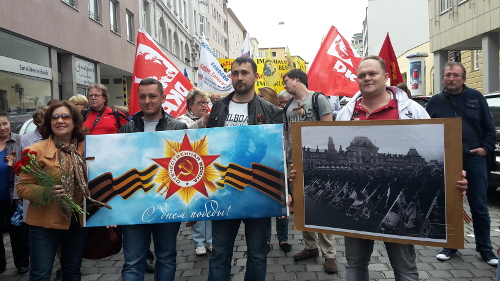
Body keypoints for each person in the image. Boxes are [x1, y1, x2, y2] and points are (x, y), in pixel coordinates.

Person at [335, 56, 467, 280]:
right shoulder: (346, 113)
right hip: (362, 196)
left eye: (373, 73)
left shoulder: (412, 109)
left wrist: (454, 174)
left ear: (386, 77)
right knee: (354, 265)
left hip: (398, 199)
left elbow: (435, 145)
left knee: (404, 268)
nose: (367, 78)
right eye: (362, 75)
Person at [206, 56, 282, 281]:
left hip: (257, 191)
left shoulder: (270, 111)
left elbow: (276, 152)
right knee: (219, 253)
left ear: (256, 76)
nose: (239, 77)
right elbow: (210, 145)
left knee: (258, 254)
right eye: (235, 73)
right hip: (223, 188)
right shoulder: (219, 107)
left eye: (244, 73)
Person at [16, 101, 104, 280]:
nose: (60, 121)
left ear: (75, 121)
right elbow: (21, 187)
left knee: (72, 270)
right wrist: (44, 192)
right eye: (55, 117)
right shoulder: (35, 151)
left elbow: (101, 179)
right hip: (44, 223)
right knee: (41, 274)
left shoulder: (88, 147)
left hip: (76, 222)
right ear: (49, 122)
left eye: (65, 116)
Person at [426, 61, 498, 266]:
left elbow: (489, 128)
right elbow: (425, 130)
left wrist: (485, 148)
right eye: (448, 75)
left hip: (474, 158)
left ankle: (485, 249)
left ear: (463, 78)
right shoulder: (435, 102)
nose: (451, 78)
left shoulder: (476, 97)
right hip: (447, 160)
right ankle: (451, 245)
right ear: (442, 78)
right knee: (451, 204)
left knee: (479, 206)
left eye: (456, 75)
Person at [118, 78, 187, 281]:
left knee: (166, 257)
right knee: (132, 262)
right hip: (133, 205)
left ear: (163, 98)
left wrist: (190, 206)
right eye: (143, 96)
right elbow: (118, 167)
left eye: (152, 96)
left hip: (168, 203)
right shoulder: (126, 129)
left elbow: (188, 167)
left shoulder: (178, 127)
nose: (147, 101)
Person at [282, 69, 337, 274]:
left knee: (320, 205)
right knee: (302, 206)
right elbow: (287, 135)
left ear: (297, 79)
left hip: (316, 162)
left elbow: (329, 130)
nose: (284, 85)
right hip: (294, 162)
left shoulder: (318, 99)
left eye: (286, 81)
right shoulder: (288, 105)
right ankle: (310, 247)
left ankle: (329, 254)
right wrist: (286, 157)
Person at [256, 87, 292, 253]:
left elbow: (286, 139)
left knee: (280, 202)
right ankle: (266, 239)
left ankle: (283, 238)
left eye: (261, 97)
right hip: (262, 161)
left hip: (279, 161)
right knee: (264, 203)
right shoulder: (256, 116)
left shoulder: (280, 115)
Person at [177, 88, 212, 256]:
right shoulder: (181, 120)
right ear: (190, 105)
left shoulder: (211, 118)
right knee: (196, 204)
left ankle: (210, 240)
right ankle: (199, 241)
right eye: (200, 103)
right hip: (190, 167)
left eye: (206, 102)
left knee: (210, 203)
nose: (204, 106)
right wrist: (202, 122)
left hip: (209, 166)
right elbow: (185, 133)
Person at [0, 111, 29, 275]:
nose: (3, 128)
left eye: (5, 123)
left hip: (13, 195)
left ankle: (22, 263)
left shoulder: (18, 140)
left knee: (18, 231)